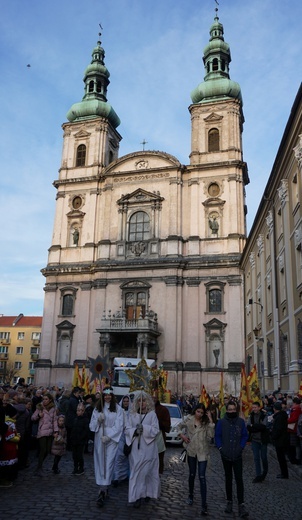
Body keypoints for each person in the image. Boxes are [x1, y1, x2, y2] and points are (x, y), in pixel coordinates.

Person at [125, 391, 160, 508]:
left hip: (148, 448)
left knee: (145, 473)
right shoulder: (133, 415)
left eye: (144, 400)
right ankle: (136, 496)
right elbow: (127, 429)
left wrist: (144, 428)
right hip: (136, 448)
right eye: (139, 400)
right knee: (135, 472)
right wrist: (134, 431)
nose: (141, 403)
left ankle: (145, 493)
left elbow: (156, 430)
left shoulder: (152, 415)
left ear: (148, 402)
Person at [89, 386, 123, 507]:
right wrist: (98, 420)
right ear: (103, 396)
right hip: (99, 438)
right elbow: (92, 426)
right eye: (105, 395)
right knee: (100, 462)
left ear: (112, 396)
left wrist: (109, 436)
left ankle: (104, 487)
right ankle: (103, 487)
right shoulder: (98, 408)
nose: (107, 397)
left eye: (109, 395)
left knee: (108, 463)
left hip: (111, 439)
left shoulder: (118, 409)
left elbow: (119, 425)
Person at [178, 403, 215, 516]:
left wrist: (210, 421)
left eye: (201, 412)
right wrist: (182, 436)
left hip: (203, 452)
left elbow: (211, 436)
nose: (199, 414)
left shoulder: (206, 422)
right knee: (192, 474)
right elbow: (179, 427)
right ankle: (190, 495)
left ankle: (204, 504)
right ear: (195, 411)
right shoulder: (189, 419)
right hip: (191, 451)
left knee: (202, 477)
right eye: (198, 411)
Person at [215, 400, 249, 518]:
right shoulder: (221, 422)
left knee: (239, 479)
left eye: (233, 409)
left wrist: (241, 447)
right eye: (229, 410)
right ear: (226, 410)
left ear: (236, 410)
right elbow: (217, 436)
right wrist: (220, 448)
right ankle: (229, 501)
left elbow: (245, 435)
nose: (231, 411)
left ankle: (241, 504)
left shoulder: (240, 422)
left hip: (237, 454)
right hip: (225, 454)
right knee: (228, 478)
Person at [31, 392, 58, 476]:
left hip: (50, 432)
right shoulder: (40, 407)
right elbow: (33, 418)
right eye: (44, 399)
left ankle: (39, 465)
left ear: (50, 400)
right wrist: (39, 415)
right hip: (42, 431)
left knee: (47, 450)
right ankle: (39, 468)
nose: (44, 401)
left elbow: (55, 420)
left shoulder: (53, 408)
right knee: (43, 449)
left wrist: (56, 431)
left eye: (46, 399)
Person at [246, 401, 269, 482]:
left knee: (263, 457)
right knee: (256, 458)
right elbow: (248, 426)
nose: (254, 409)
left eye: (255, 407)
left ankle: (265, 471)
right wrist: (255, 427)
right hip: (254, 440)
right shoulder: (251, 415)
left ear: (259, 407)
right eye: (253, 407)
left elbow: (263, 426)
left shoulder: (263, 415)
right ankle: (258, 475)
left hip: (262, 440)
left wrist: (254, 426)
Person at [112, 394, 131, 486]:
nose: (126, 403)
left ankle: (127, 475)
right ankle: (116, 477)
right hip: (120, 436)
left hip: (129, 437)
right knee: (118, 457)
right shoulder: (119, 412)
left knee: (128, 457)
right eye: (124, 401)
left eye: (127, 401)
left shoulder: (132, 413)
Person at [152, 391, 171, 474]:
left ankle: (158, 473)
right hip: (146, 436)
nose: (153, 399)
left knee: (159, 457)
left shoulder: (163, 409)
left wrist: (157, 422)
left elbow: (167, 424)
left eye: (155, 398)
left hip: (159, 435)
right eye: (151, 398)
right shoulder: (145, 409)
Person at [271, 401, 289, 479]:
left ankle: (284, 474)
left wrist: (273, 436)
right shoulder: (282, 415)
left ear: (274, 409)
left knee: (281, 458)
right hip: (282, 439)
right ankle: (284, 473)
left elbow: (278, 429)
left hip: (280, 440)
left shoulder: (279, 417)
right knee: (281, 458)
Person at [70, 403, 90, 475]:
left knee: (79, 455)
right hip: (74, 440)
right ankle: (75, 468)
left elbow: (86, 431)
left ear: (83, 411)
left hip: (81, 441)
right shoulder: (75, 419)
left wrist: (81, 438)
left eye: (81, 410)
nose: (79, 412)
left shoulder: (85, 420)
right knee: (74, 455)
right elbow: (73, 429)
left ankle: (81, 468)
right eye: (78, 410)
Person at [287, 396, 301, 464]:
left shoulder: (296, 409)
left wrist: (287, 420)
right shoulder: (296, 409)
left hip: (293, 428)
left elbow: (294, 419)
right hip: (293, 428)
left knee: (294, 444)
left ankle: (296, 458)